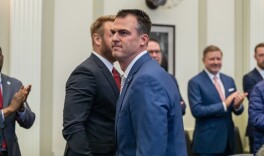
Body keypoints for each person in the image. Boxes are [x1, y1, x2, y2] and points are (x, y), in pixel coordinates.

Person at [111, 9, 187, 156]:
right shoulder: (143, 72)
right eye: (113, 32)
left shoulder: (146, 79)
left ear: (143, 40)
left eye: (123, 33)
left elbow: (151, 150)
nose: (114, 38)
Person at [62, 15, 120, 156]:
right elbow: (73, 126)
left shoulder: (115, 72)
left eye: (120, 33)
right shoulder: (86, 72)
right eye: (112, 34)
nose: (117, 39)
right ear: (97, 39)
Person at [187, 45, 247, 156]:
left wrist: (237, 105)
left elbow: (237, 110)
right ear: (204, 61)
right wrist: (225, 104)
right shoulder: (195, 82)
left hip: (229, 141)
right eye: (212, 59)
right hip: (207, 143)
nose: (216, 62)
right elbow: (197, 110)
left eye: (218, 59)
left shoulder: (229, 80)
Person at [0, 46, 35, 156]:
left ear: (2, 58)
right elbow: (11, 108)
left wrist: (21, 108)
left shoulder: (14, 85)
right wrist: (10, 109)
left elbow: (29, 122)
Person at [242, 42, 264, 153]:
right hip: (257, 130)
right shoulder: (249, 78)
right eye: (261, 55)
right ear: (255, 57)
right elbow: (259, 102)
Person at [147, 38, 186, 115]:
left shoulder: (171, 78)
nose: (154, 55)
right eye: (150, 52)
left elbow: (183, 107)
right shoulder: (139, 78)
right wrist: (174, 106)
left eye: (157, 52)